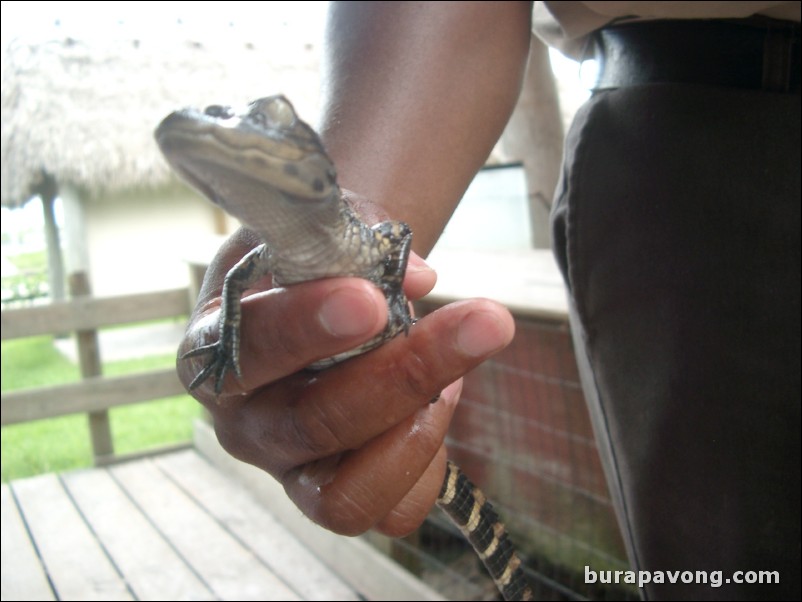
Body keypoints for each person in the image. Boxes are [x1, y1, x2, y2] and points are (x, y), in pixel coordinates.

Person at [177, 2, 800, 599]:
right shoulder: (267, 258)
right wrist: (238, 338)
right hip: (690, 118)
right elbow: (275, 267)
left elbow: (389, 236)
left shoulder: (350, 241)